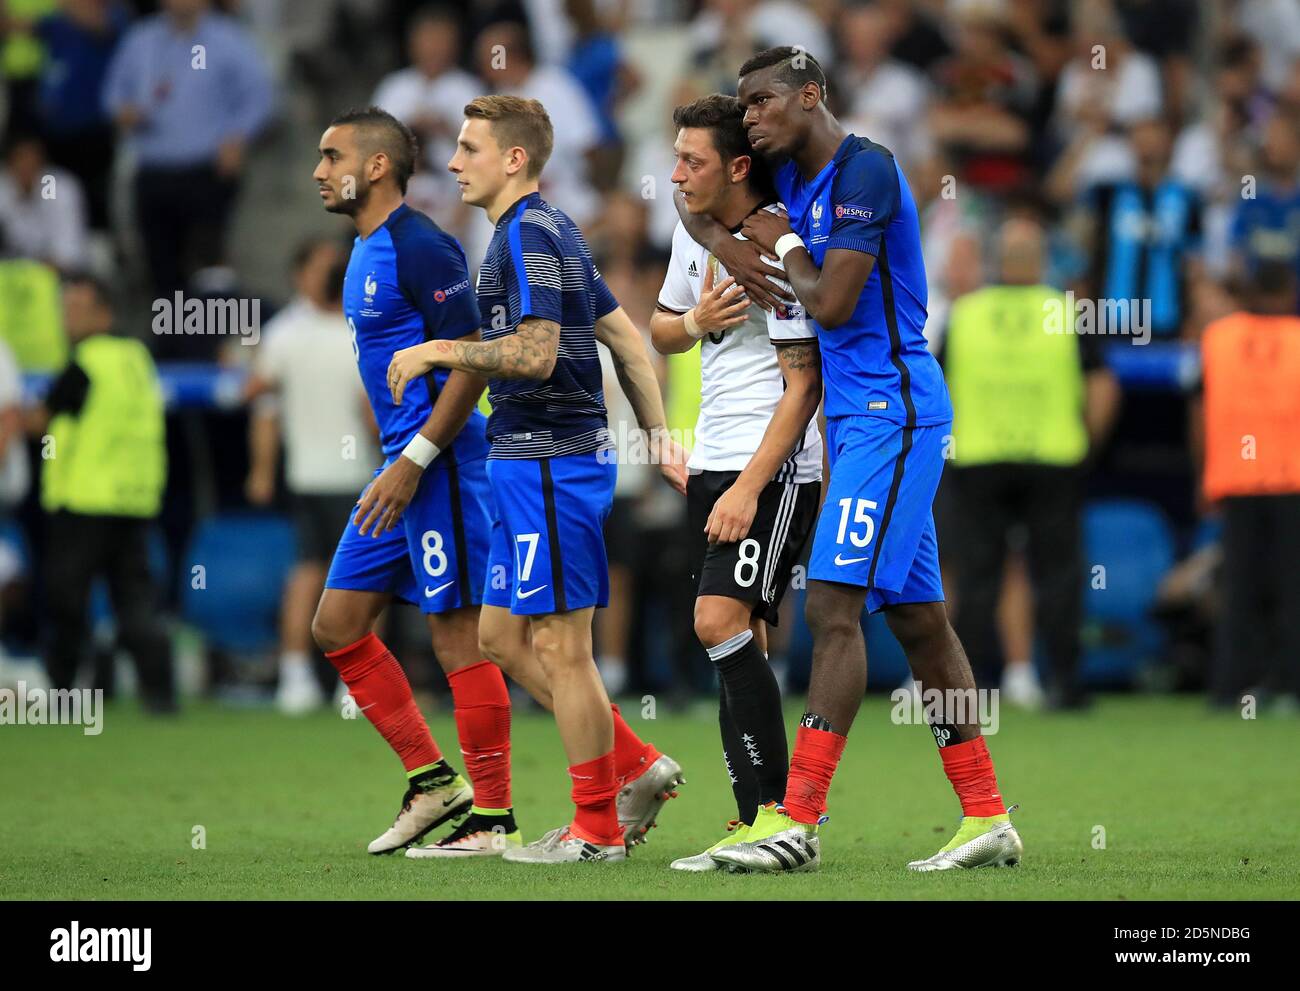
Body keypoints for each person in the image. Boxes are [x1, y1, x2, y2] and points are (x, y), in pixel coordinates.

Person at [676, 47, 1020, 874]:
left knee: (833, 602)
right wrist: (725, 246)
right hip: (858, 420)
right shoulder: (789, 174)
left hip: (892, 413)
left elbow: (829, 299)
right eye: (744, 107)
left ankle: (796, 816)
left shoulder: (865, 170)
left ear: (811, 94)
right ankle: (986, 815)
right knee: (920, 621)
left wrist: (783, 242)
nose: (751, 119)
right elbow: (702, 209)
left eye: (762, 102)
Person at [387, 94, 688, 864]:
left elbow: (539, 353)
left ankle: (595, 828)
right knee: (499, 635)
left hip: (551, 458)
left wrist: (440, 352)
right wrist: (660, 440)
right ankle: (635, 765)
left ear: (513, 158)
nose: (453, 162)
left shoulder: (527, 233)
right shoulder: (545, 230)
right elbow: (621, 333)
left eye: (469, 148)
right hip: (527, 462)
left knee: (561, 645)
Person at [310, 106, 515, 856]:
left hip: (442, 465)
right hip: (400, 466)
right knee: (336, 625)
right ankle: (434, 781)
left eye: (332, 156)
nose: (318, 172)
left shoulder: (422, 246)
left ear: (375, 167)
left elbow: (472, 355)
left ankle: (493, 817)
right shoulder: (365, 249)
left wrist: (417, 458)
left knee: (460, 639)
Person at [649, 94, 822, 871]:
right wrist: (696, 323)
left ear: (739, 167)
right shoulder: (699, 235)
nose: (677, 173)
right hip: (712, 459)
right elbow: (660, 327)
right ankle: (756, 821)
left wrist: (751, 484)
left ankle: (782, 821)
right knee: (738, 637)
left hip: (770, 466)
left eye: (693, 161)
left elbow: (803, 383)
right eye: (677, 156)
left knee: (716, 622)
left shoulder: (779, 242)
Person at [942, 216, 1120, 710]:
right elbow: (1104, 386)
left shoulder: (966, 313)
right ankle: (1065, 683)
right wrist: (1086, 441)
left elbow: (934, 385)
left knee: (979, 578)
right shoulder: (1065, 310)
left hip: (979, 458)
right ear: (1042, 259)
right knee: (1058, 576)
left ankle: (969, 690)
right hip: (1052, 458)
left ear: (1000, 260)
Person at [243, 238, 377, 714]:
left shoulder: (284, 333)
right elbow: (370, 412)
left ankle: (299, 678)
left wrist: (262, 471)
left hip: (318, 474)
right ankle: (351, 685)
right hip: (357, 476)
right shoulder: (358, 328)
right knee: (358, 582)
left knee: (310, 574)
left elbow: (257, 393)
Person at [32, 275, 174, 711]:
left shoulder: (85, 363)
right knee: (134, 600)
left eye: (76, 309)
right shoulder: (136, 358)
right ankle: (160, 695)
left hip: (86, 499)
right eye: (65, 309)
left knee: (66, 598)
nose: (67, 319)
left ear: (103, 312)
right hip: (133, 499)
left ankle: (61, 690)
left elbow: (40, 420)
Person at [102, 0, 274, 308]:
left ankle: (210, 345)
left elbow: (259, 93)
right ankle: (171, 344)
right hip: (154, 168)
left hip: (207, 169)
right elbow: (113, 94)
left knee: (209, 267)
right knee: (160, 266)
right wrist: (125, 112)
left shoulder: (228, 39)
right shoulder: (141, 39)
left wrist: (238, 136)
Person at [1197, 261, 1300, 707]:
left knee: (1238, 589)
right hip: (1291, 479)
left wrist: (1205, 472)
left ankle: (1229, 688)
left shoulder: (1219, 339)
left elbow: (1199, 412)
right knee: (1291, 588)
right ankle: (1289, 685)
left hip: (1236, 479)